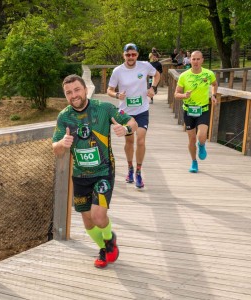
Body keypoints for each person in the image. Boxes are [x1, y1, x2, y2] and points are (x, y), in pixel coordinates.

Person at [52, 74, 138, 268]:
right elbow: (56, 149)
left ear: (85, 89)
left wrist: (125, 130)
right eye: (68, 92)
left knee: (99, 216)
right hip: (80, 175)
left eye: (77, 90)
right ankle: (105, 246)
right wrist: (62, 143)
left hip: (103, 171)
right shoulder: (64, 116)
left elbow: (133, 122)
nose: (74, 95)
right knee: (88, 222)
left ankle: (108, 238)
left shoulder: (104, 108)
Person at [107, 43, 160, 189]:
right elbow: (109, 90)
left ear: (137, 55)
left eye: (133, 54)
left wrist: (153, 88)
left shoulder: (144, 65)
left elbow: (157, 74)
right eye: (127, 55)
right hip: (125, 113)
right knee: (129, 142)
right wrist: (117, 94)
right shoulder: (118, 71)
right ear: (123, 55)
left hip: (142, 110)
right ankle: (130, 168)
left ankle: (138, 172)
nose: (131, 57)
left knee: (141, 141)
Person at [174, 50, 218, 173]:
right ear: (190, 60)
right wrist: (184, 96)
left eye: (198, 59)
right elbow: (176, 94)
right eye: (194, 59)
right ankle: (194, 162)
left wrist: (213, 95)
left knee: (201, 135)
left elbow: (214, 84)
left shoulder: (209, 74)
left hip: (203, 109)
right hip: (188, 110)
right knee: (191, 139)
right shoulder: (184, 76)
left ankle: (202, 145)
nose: (196, 61)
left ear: (202, 60)